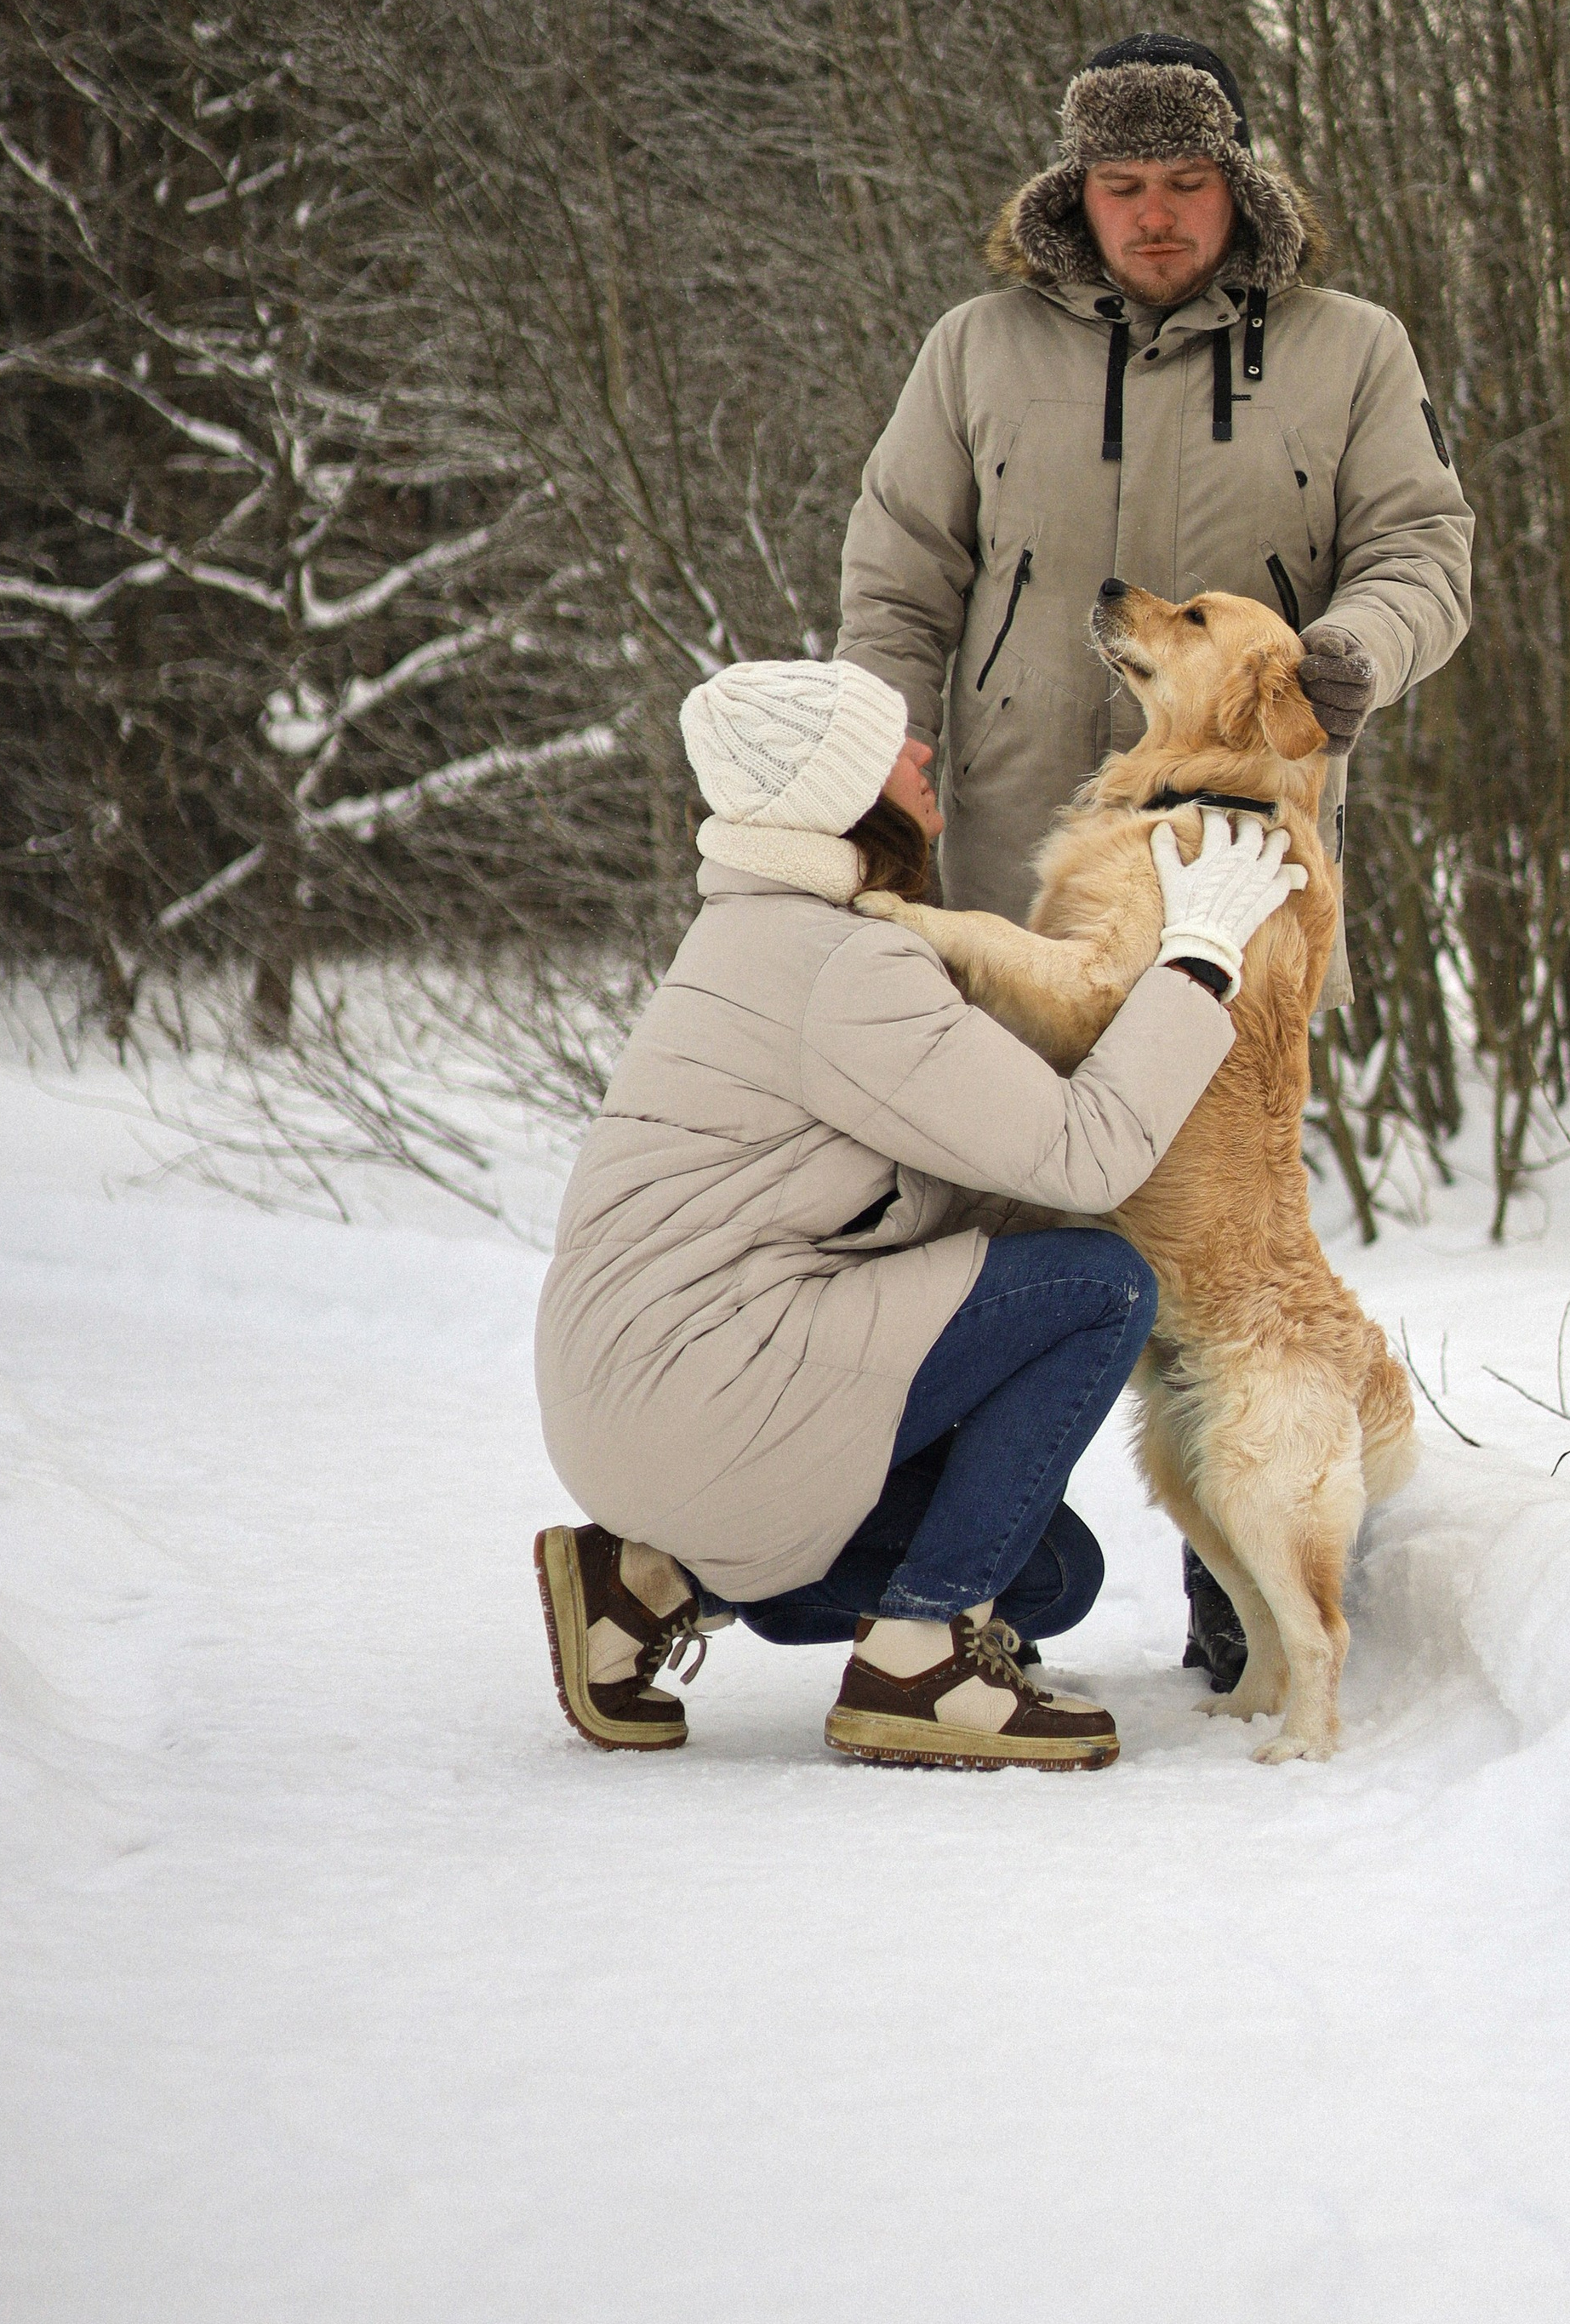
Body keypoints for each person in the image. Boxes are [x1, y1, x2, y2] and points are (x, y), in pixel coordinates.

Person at [835, 30, 1474, 1687]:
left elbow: (1422, 547)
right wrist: (879, 775)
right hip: (1003, 855)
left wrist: (1357, 647)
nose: (1154, 216)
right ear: (1074, 192)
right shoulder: (976, 349)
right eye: (1120, 185)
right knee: (981, 1215)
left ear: (1237, 183)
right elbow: (898, 575)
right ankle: (958, 1587)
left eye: (1184, 181)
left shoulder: (1347, 350)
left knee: (1216, 1190)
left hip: (1232, 869)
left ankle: (1232, 1563)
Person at [533, 654, 1308, 1773]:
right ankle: (916, 1662)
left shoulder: (764, 938)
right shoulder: (844, 965)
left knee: (1049, 1580)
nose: (925, 750)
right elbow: (1081, 1158)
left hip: (640, 1397)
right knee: (1096, 1285)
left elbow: (969, 1181)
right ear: (840, 787)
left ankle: (650, 1577)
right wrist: (1197, 960)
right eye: (894, 743)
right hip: (708, 1383)